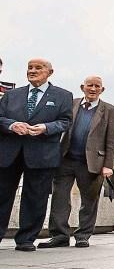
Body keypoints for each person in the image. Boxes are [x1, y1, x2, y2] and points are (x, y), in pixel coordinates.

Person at [39, 76, 114, 248]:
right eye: (89, 85)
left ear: (102, 90)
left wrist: (108, 165)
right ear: (82, 87)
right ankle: (59, 235)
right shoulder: (71, 104)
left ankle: (83, 235)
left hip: (91, 163)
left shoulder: (111, 111)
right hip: (65, 159)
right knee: (59, 198)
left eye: (97, 86)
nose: (93, 89)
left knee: (89, 201)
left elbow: (112, 141)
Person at [0, 59, 73, 251]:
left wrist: (46, 128)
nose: (32, 71)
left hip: (42, 153)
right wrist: (11, 125)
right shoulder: (11, 95)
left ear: (50, 72)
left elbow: (65, 121)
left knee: (36, 197)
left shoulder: (63, 96)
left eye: (38, 68)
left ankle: (26, 239)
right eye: (30, 68)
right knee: (2, 195)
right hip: (9, 153)